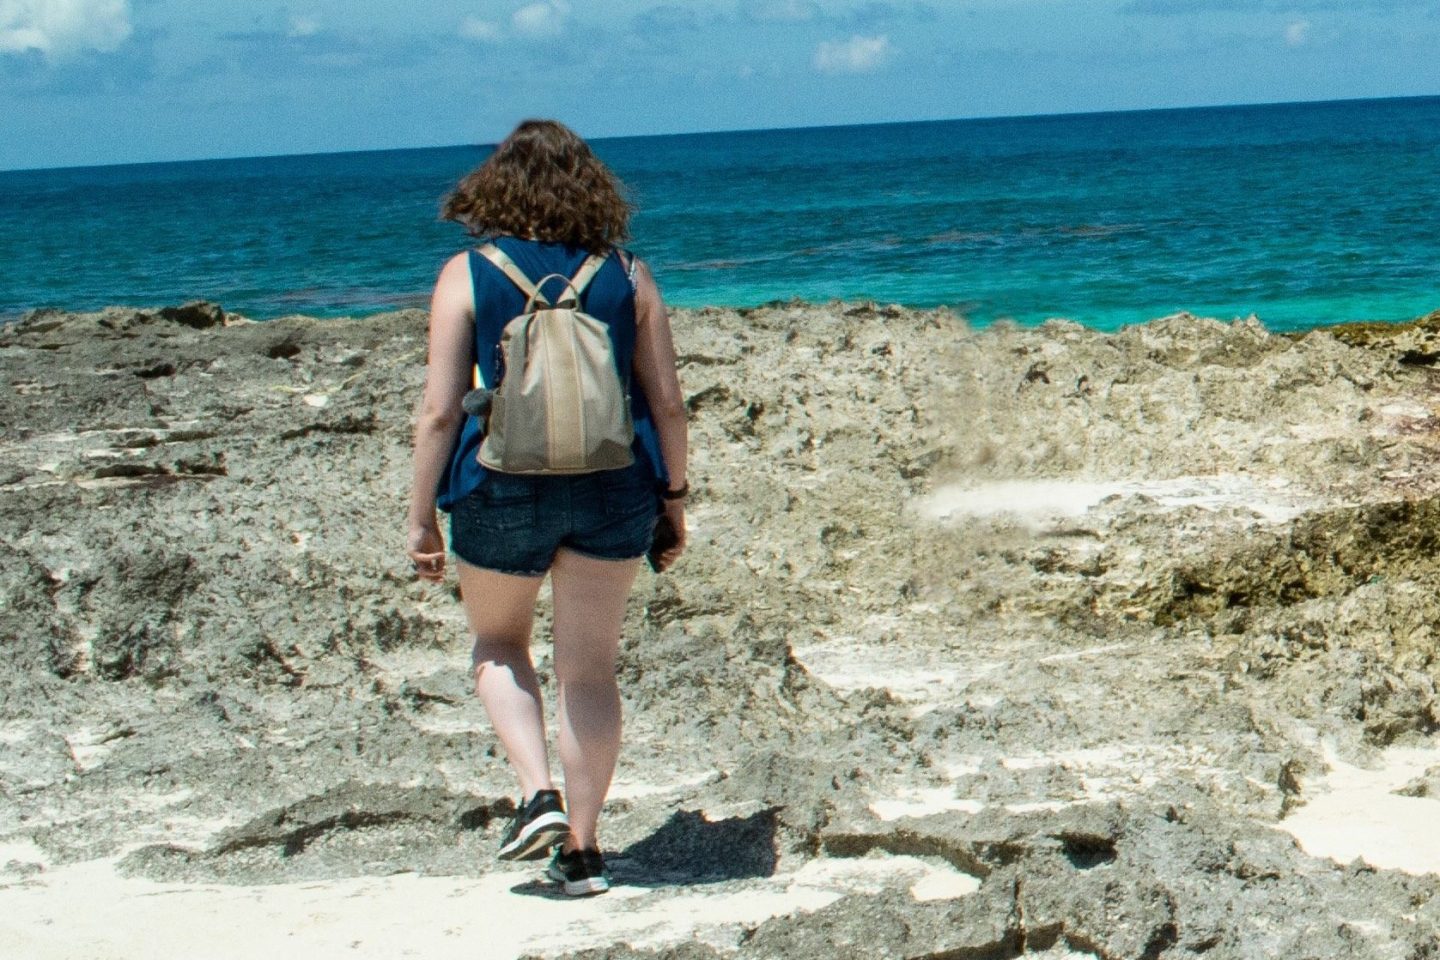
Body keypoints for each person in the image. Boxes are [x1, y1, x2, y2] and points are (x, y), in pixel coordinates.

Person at [405, 119, 688, 896]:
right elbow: (666, 401)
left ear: (494, 187)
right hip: (614, 487)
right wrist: (675, 497)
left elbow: (437, 413)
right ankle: (587, 853)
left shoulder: (466, 273)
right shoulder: (628, 273)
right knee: (589, 669)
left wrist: (420, 514)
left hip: (496, 486)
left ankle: (537, 795)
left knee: (498, 643)